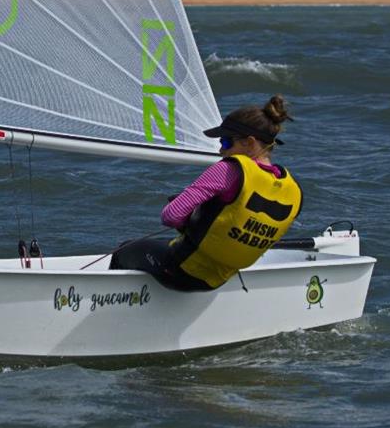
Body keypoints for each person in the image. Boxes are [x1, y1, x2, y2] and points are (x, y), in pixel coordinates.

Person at [109, 94, 303, 291]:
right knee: (165, 244)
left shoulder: (229, 169)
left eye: (226, 142)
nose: (221, 150)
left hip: (182, 271)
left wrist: (190, 219)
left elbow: (171, 215)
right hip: (218, 279)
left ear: (250, 142)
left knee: (124, 250)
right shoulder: (292, 189)